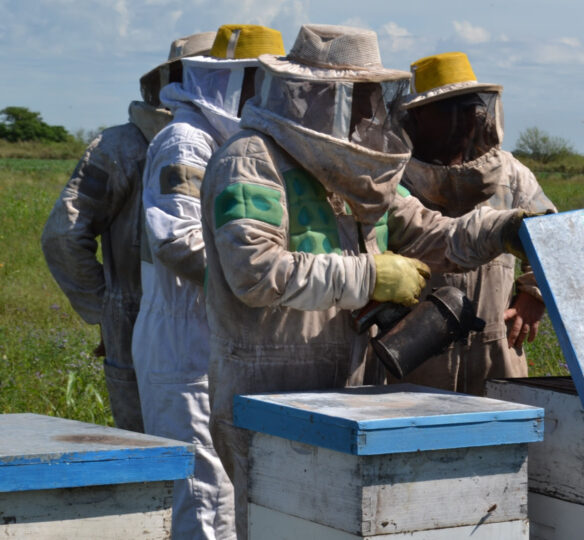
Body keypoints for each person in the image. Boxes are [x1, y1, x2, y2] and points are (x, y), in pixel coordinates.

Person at [199, 25, 533, 539]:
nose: (370, 110)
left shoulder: (357, 173)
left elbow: (433, 234)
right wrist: (371, 274)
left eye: (374, 95)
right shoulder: (250, 161)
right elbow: (255, 271)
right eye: (360, 95)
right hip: (267, 390)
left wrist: (504, 230)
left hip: (352, 390)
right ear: (319, 95)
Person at [133, 24, 284, 539]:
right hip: (184, 340)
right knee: (204, 501)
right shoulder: (185, 140)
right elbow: (177, 239)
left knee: (236, 497)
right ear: (231, 81)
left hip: (225, 336)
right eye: (261, 84)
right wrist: (256, 279)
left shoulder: (239, 144)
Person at [40, 31, 216, 433]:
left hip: (150, 324)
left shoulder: (121, 145)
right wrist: (104, 308)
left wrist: (106, 311)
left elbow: (63, 235)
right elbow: (63, 236)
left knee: (161, 456)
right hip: (177, 320)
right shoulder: (121, 146)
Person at [391, 51, 556, 395]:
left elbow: (552, 236)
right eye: (450, 109)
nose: (467, 118)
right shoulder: (393, 179)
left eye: (471, 107)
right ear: (418, 116)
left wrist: (534, 295)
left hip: (497, 348)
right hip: (414, 354)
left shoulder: (511, 175)